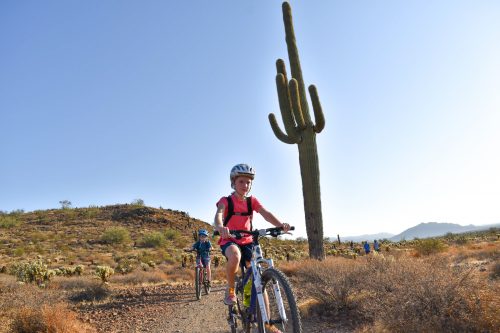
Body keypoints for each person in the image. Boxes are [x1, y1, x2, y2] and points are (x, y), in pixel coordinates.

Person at [214, 163, 291, 307]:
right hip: (230, 239)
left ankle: (267, 324)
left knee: (257, 279)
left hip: (248, 241)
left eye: (248, 182)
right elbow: (219, 214)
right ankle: (231, 290)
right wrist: (220, 227)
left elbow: (266, 214)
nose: (245, 185)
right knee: (235, 256)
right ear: (233, 183)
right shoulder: (226, 200)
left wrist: (280, 225)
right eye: (241, 181)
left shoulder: (252, 201)